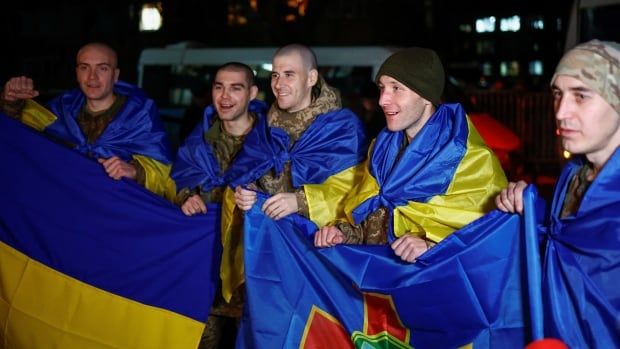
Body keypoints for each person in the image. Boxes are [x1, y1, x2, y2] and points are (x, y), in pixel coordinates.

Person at [314, 47, 507, 263]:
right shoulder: (381, 148)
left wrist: (432, 248)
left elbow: (493, 243)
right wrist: (342, 233)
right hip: (378, 286)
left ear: (426, 96)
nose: (382, 100)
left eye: (396, 88)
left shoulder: (473, 161)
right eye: (382, 88)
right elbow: (366, 213)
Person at [495, 40, 620, 348]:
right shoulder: (573, 177)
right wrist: (530, 211)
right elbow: (565, 248)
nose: (562, 112)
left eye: (581, 96)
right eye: (557, 95)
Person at [225, 43, 368, 300]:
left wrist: (301, 201)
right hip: (267, 260)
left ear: (311, 78)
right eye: (275, 75)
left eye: (289, 74)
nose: (279, 84)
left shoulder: (342, 127)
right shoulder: (266, 124)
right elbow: (247, 172)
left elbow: (357, 192)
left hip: (317, 262)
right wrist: (244, 193)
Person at [170, 62, 267, 349]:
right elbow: (176, 180)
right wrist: (185, 196)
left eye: (235, 88)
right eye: (218, 87)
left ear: (252, 93)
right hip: (207, 273)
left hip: (253, 277)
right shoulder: (199, 140)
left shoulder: (272, 141)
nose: (224, 96)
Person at [0, 42, 173, 198]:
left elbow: (168, 177)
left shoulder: (140, 116)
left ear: (115, 75)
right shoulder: (60, 111)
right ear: (77, 73)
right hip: (68, 213)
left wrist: (136, 171)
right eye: (85, 67)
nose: (92, 77)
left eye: (102, 68)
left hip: (118, 217)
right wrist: (12, 102)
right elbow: (18, 141)